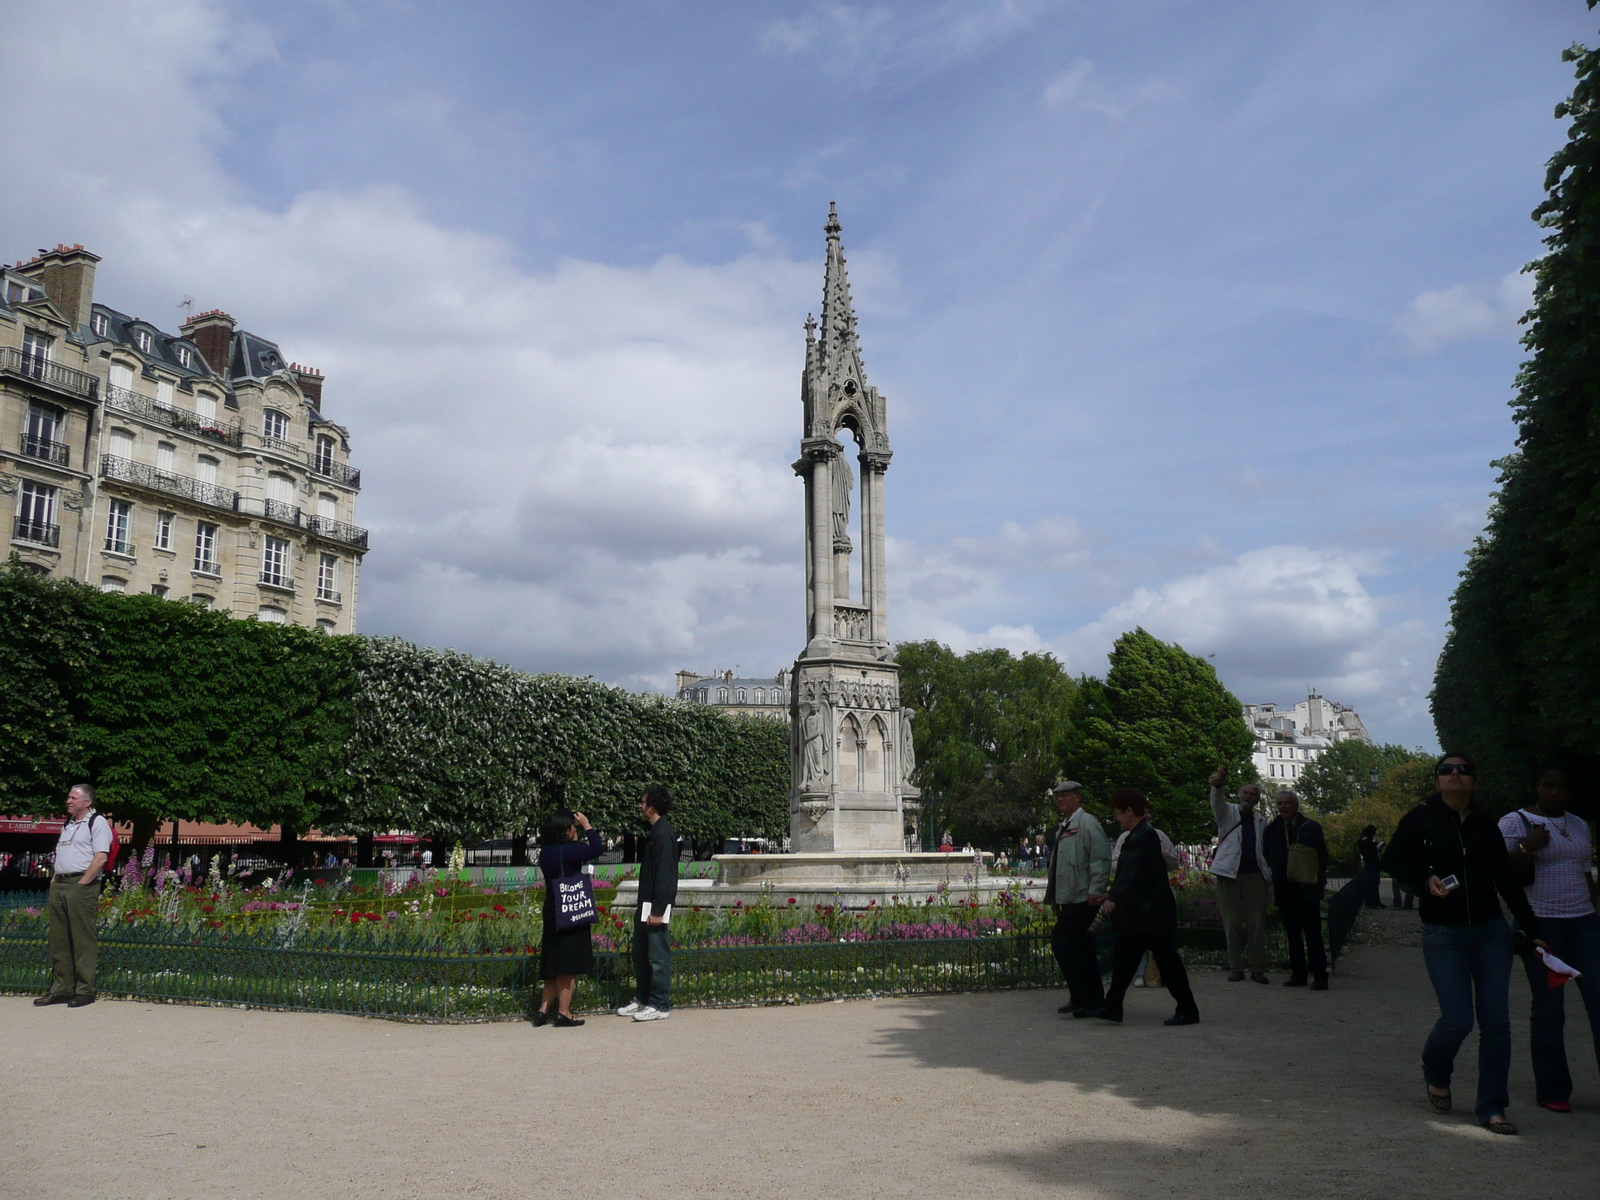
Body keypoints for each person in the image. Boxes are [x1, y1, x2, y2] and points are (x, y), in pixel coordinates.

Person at [1382, 753, 1545, 1135]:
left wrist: (1531, 926)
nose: (1455, 775)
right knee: (1457, 1019)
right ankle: (1436, 1069)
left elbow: (1505, 879)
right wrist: (1425, 880)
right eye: (1447, 770)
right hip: (1444, 935)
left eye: (1463, 770)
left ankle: (1492, 1108)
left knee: (1497, 1025)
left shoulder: (1487, 825)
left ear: (1474, 781)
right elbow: (1392, 859)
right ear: (1437, 780)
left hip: (1491, 932)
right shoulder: (1420, 819)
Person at [1499, 766, 1600, 1114]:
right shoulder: (1514, 822)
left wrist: (1594, 909)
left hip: (1585, 922)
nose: (1554, 792)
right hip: (1543, 924)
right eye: (1548, 785)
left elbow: (1585, 872)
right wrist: (1528, 846)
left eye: (1562, 786)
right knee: (1549, 1008)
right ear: (1537, 787)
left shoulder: (1579, 824)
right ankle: (1554, 1090)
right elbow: (1500, 871)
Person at [1077, 789, 1199, 1026]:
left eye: (1118, 813)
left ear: (1130, 811)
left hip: (1148, 913)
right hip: (1147, 912)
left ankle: (1186, 1008)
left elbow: (1132, 872)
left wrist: (1112, 894)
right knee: (1130, 959)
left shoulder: (1143, 835)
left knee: (1156, 960)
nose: (1117, 819)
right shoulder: (1143, 834)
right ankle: (1114, 1006)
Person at [35, 784, 111, 1008]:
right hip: (60, 883)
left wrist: (83, 883)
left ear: (87, 802)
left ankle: (85, 989)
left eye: (73, 797)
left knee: (81, 939)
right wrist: (54, 881)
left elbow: (100, 858)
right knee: (59, 939)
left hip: (80, 884)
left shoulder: (97, 822)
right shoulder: (68, 824)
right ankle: (61, 988)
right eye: (68, 797)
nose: (68, 801)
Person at [1042, 780, 1112, 1015]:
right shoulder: (1066, 825)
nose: (1061, 800)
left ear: (1078, 798)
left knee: (1067, 945)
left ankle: (1089, 998)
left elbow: (1100, 858)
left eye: (1066, 795)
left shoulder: (1087, 824)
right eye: (1058, 796)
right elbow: (1057, 867)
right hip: (1071, 897)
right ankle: (1083, 997)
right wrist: (1055, 898)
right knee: (1078, 949)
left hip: (1083, 898)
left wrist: (1096, 888)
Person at [535, 809, 604, 1028]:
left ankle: (542, 1010)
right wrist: (587, 825)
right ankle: (564, 1012)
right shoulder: (571, 850)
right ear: (566, 831)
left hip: (551, 906)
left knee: (553, 959)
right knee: (567, 963)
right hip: (570, 906)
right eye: (572, 827)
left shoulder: (545, 852)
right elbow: (597, 848)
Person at [618, 783, 677, 1022]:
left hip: (655, 905)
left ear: (652, 806)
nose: (640, 806)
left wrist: (659, 909)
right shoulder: (656, 832)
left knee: (657, 955)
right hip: (647, 903)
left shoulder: (664, 833)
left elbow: (665, 875)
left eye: (643, 802)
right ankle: (644, 998)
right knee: (641, 953)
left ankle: (660, 1004)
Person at [1207, 766, 1271, 984]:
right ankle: (1236, 967)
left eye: (1253, 795)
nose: (1249, 797)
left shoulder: (1261, 821)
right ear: (1239, 795)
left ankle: (1257, 968)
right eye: (1246, 793)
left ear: (1257, 800)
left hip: (1255, 875)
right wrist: (1219, 784)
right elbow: (1217, 801)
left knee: (1257, 924)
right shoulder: (1228, 813)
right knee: (1231, 923)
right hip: (1229, 874)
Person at [1263, 789, 1330, 990]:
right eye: (1280, 803)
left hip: (1307, 888)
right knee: (1292, 934)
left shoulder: (1311, 827)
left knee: (1313, 933)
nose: (1283, 806)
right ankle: (1298, 974)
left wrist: (1316, 880)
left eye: (1287, 803)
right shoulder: (1272, 829)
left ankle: (1319, 975)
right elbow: (1268, 855)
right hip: (1286, 888)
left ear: (1296, 805)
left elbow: (1322, 856)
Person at [1357, 825, 1386, 909]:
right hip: (1373, 862)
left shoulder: (1361, 841)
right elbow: (1374, 850)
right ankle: (1375, 901)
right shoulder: (1370, 841)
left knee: (1369, 883)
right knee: (1374, 883)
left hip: (1367, 862)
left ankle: (1369, 901)